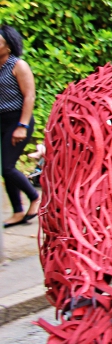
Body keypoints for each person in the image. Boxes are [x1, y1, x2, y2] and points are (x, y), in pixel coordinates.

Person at [0, 26, 39, 228]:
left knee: (7, 167)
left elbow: (29, 96)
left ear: (8, 45)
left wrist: (22, 126)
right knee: (5, 169)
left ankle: (33, 197)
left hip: (18, 120)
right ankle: (17, 211)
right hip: (1, 120)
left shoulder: (18, 65)